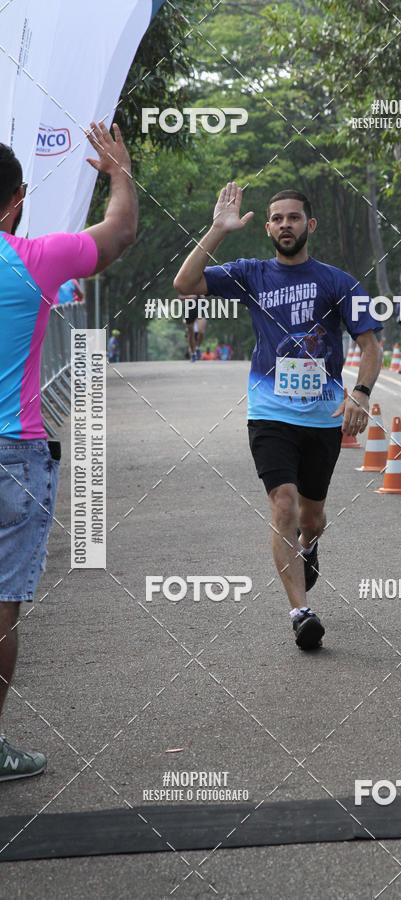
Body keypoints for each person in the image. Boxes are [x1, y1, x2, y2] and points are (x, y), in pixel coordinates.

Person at [174, 182, 382, 650]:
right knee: (282, 505)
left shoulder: (339, 282)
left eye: (293, 217)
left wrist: (361, 394)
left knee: (312, 516)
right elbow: (185, 284)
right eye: (276, 218)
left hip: (324, 416)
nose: (285, 225)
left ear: (310, 225)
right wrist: (217, 230)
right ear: (266, 227)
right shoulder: (251, 274)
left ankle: (309, 546)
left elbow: (370, 347)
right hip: (269, 412)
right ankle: (300, 611)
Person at [0, 121, 137, 781]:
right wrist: (118, 173)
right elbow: (119, 234)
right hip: (13, 453)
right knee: (1, 600)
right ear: (16, 201)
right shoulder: (35, 259)